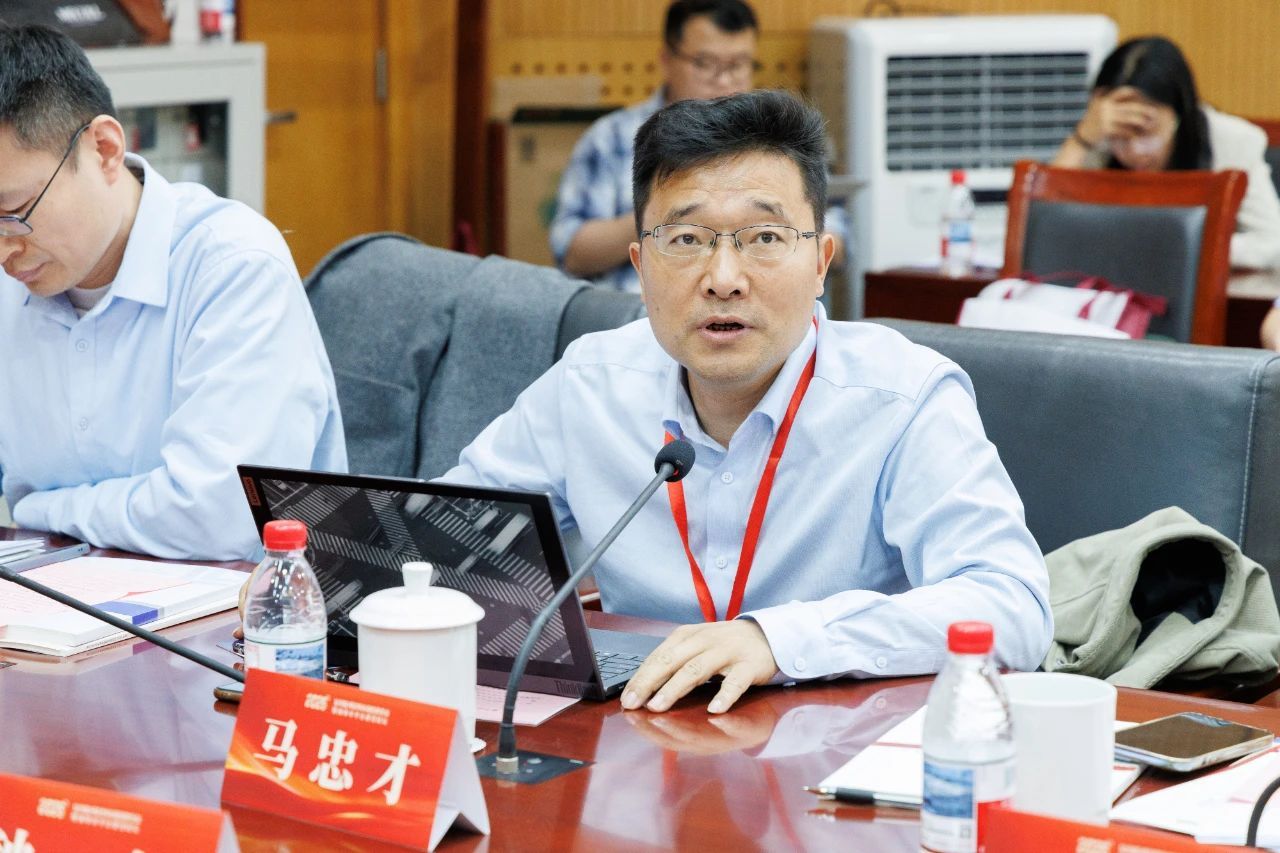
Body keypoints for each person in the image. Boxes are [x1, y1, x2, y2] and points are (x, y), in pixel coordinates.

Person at [447, 90, 1052, 714]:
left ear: (820, 263)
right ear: (641, 266)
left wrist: (780, 640)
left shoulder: (904, 397)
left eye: (764, 236)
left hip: (836, 740)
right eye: (686, 239)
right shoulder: (590, 385)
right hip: (640, 734)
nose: (723, 279)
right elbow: (435, 542)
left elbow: (1012, 606)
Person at [0, 24, 346, 560]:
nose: (5, 248)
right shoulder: (15, 281)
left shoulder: (233, 268)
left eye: (14, 213)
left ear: (105, 150)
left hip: (229, 607)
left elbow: (222, 517)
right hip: (53, 600)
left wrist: (40, 509)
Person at [549, 0, 846, 292]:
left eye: (737, 65)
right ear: (667, 60)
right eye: (705, 64)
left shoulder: (781, 139)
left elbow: (840, 239)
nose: (724, 81)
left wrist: (765, 229)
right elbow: (569, 250)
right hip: (634, 312)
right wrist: (671, 214)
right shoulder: (611, 137)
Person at [1051, 36, 1280, 348]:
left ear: (1178, 115)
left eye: (1145, 131)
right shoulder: (1099, 142)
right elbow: (1042, 231)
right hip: (1106, 314)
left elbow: (1270, 244)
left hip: (1206, 312)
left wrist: (1169, 250)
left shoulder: (1234, 141)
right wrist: (1083, 140)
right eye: (1121, 137)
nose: (1133, 150)